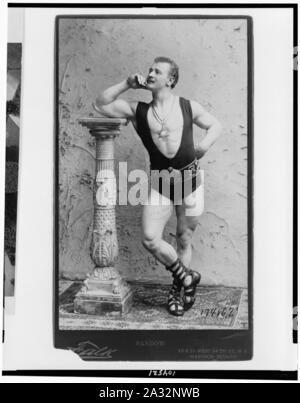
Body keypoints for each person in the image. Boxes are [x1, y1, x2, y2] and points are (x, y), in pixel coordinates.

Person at [93, 56, 222, 316]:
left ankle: (177, 290)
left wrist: (204, 146)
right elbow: (100, 104)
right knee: (151, 239)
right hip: (161, 181)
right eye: (149, 70)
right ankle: (186, 278)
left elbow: (215, 124)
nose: (150, 73)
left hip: (190, 180)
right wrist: (127, 83)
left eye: (157, 71)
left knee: (184, 238)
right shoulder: (138, 110)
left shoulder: (187, 106)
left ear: (170, 79)